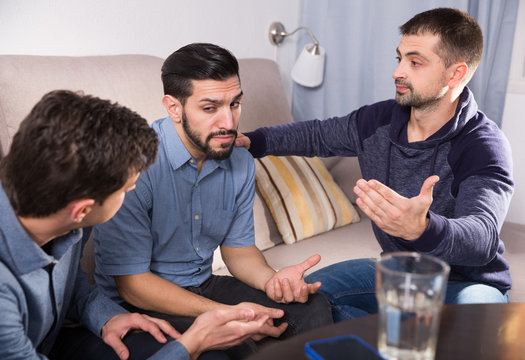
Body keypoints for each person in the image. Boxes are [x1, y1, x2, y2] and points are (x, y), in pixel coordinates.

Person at [236, 7, 514, 322]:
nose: (398, 72)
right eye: (399, 59)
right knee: (300, 307)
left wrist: (423, 229)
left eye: (415, 62)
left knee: (475, 329)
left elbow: (482, 237)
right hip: (398, 273)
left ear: (456, 74)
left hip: (468, 285)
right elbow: (316, 135)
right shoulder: (376, 121)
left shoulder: (483, 145)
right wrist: (253, 142)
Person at [93, 43, 333, 358]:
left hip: (203, 285)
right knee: (220, 351)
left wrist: (273, 280)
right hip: (139, 302)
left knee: (314, 309)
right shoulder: (134, 165)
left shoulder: (240, 161)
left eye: (235, 104)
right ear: (173, 107)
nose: (229, 123)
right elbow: (132, 286)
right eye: (210, 108)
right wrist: (230, 315)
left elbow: (239, 252)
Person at [0, 90, 275, 360]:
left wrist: (107, 317)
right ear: (82, 209)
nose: (133, 192)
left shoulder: (63, 214)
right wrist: (191, 345)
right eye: (126, 189)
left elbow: (69, 284)